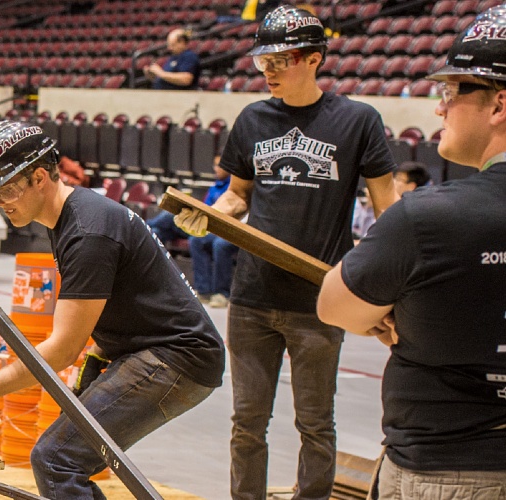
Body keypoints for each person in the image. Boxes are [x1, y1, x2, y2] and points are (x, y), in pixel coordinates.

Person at [0, 121, 225, 498]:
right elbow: (132, 296)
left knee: (57, 460)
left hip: (176, 359)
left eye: (7, 191)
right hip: (159, 351)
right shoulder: (72, 216)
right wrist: (102, 350)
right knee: (66, 458)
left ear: (38, 178)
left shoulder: (87, 231)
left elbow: (63, 349)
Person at [173, 6, 398, 499]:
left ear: (314, 58)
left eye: (280, 59)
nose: (268, 70)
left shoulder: (358, 121)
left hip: (320, 299)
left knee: (316, 423)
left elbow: (389, 211)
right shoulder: (253, 118)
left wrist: (390, 282)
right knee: (247, 422)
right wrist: (209, 215)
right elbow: (238, 195)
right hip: (251, 297)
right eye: (262, 61)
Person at [317, 7, 506, 496]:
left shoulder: (428, 218)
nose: (439, 108)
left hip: (451, 468)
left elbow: (334, 305)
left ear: (499, 103)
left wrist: (394, 311)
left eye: (451, 91)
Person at [189, 159, 239, 308]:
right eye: (215, 165)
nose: (216, 169)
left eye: (220, 165)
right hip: (216, 227)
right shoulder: (214, 186)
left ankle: (222, 293)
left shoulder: (234, 185)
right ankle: (204, 291)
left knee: (220, 245)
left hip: (238, 228)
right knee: (197, 240)